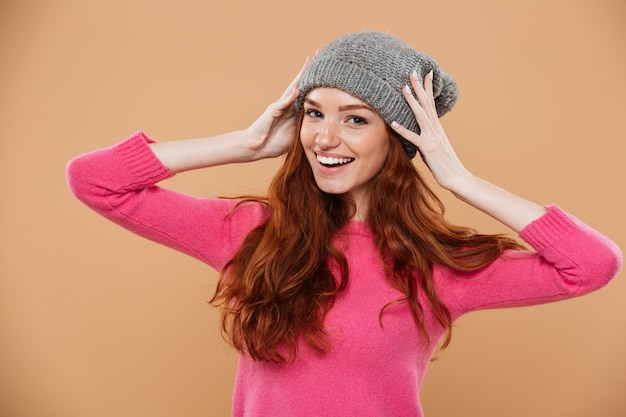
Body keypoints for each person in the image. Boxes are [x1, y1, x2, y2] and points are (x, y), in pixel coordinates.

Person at [67, 31, 622, 417]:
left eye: (355, 119)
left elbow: (593, 264)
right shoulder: (251, 233)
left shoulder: (436, 269)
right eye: (314, 112)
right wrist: (245, 143)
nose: (324, 138)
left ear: (399, 140)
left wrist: (460, 180)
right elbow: (94, 180)